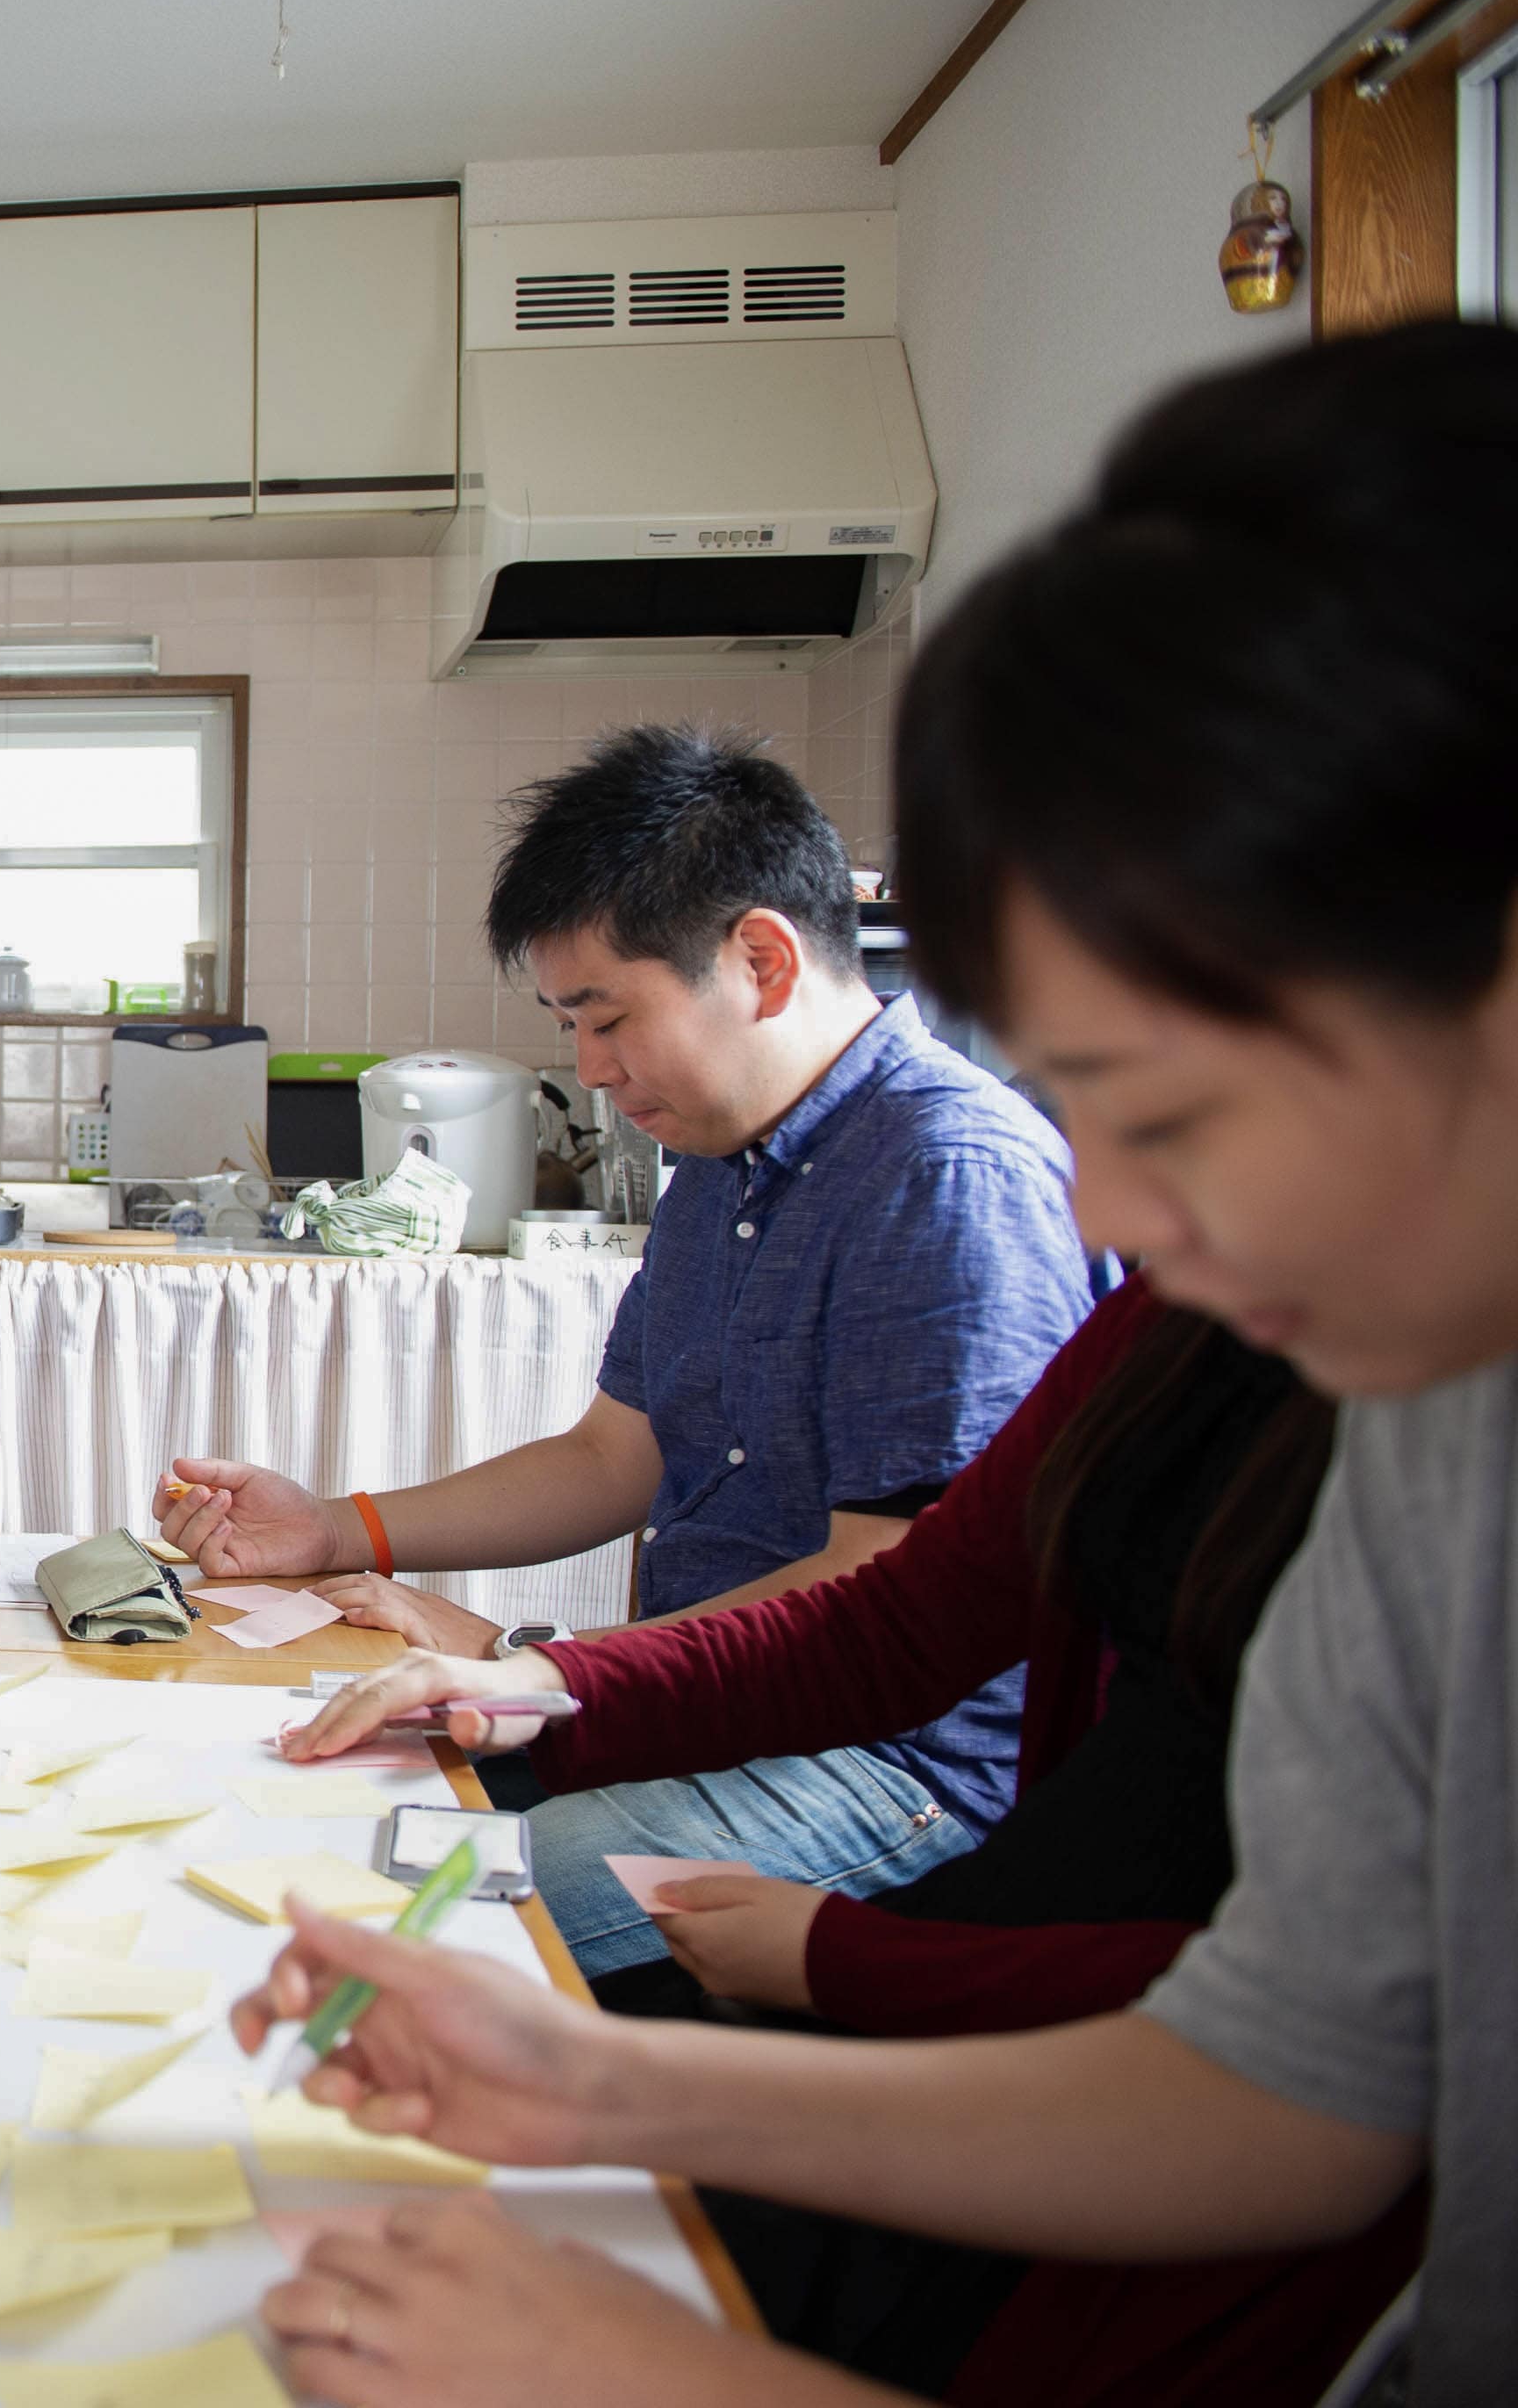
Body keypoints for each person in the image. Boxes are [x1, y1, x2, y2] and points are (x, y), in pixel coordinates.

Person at [231, 321, 1518, 2408]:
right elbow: (1300, 2074)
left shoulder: (982, 1178)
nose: (1104, 1204)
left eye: (1163, 1103)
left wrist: (690, 2326)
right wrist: (585, 2036)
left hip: (940, 1842)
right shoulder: (1403, 1385)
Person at [281, 1278, 1424, 2402]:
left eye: (1161, 1115)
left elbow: (1317, 2076)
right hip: (1001, 1983)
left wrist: (837, 1964)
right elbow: (902, 1616)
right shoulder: (1199, 1308)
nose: (1102, 1212)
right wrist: (544, 1680)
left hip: (1057, 2069)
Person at [163, 731, 1092, 1973]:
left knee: (392, 1931)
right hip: (701, 1708)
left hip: (889, 1764)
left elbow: (886, 1605)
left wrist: (533, 1669)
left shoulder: (944, 1174)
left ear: (762, 960)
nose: (593, 1071)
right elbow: (615, 1454)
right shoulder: (720, 1159)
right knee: (289, 1828)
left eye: (607, 1019)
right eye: (567, 1025)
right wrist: (337, 1528)